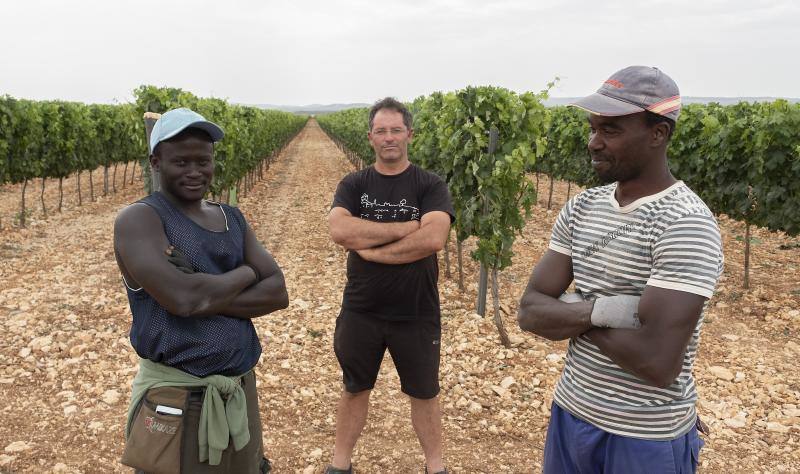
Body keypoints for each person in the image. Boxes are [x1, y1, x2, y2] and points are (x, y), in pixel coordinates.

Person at [517, 66, 724, 473]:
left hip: (644, 437)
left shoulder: (685, 223)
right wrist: (606, 311)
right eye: (593, 128)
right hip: (571, 412)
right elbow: (529, 311)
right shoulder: (582, 207)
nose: (594, 143)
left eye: (610, 130)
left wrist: (574, 308)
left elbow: (657, 361)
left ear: (658, 133)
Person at [113, 107, 288, 473]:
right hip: (179, 398)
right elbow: (186, 299)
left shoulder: (231, 218)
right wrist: (246, 271)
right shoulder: (141, 219)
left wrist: (202, 284)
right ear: (155, 161)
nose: (195, 172)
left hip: (238, 388)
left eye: (203, 161)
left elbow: (277, 293)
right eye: (181, 162)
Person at [325, 98, 455, 474]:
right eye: (381, 131)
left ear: (409, 134)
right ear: (370, 138)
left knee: (425, 394)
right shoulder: (354, 183)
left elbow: (433, 238)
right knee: (354, 389)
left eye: (396, 129)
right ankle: (340, 465)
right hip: (361, 311)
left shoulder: (430, 184)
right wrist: (404, 228)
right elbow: (339, 229)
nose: (389, 137)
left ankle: (436, 467)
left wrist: (374, 250)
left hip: (416, 313)